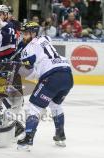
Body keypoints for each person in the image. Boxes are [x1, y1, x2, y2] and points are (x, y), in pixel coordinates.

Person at [17, 21, 74, 151]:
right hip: (67, 75)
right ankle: (60, 136)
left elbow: (27, 64)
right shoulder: (46, 38)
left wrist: (16, 62)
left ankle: (28, 139)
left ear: (33, 34)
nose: (23, 37)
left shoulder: (29, 47)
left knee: (34, 107)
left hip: (52, 76)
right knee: (56, 105)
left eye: (25, 34)